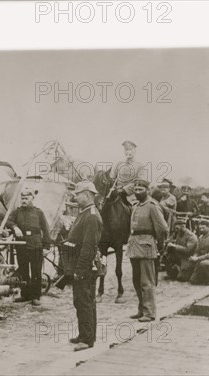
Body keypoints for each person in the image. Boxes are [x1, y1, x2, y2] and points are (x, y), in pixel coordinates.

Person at [63, 181, 102, 352]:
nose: (75, 197)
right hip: (81, 265)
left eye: (78, 194)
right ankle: (86, 334)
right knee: (82, 301)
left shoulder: (91, 216)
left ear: (86, 195)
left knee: (84, 301)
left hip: (85, 267)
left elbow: (89, 246)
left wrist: (79, 269)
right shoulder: (85, 213)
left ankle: (86, 339)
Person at [128, 179, 169, 322]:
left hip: (146, 245)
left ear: (147, 190)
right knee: (136, 280)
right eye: (136, 189)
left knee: (147, 281)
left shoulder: (152, 206)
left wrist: (159, 244)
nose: (137, 192)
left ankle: (150, 312)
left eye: (141, 190)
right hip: (134, 245)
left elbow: (162, 227)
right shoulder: (135, 205)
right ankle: (142, 309)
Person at [7, 187, 51, 306]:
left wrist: (46, 246)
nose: (24, 200)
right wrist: (15, 227)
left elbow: (46, 229)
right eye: (22, 198)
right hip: (21, 246)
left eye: (26, 198)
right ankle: (25, 295)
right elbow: (8, 221)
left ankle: (36, 297)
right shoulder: (17, 212)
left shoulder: (38, 212)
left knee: (36, 272)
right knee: (23, 271)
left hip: (36, 245)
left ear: (32, 198)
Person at [108, 140, 148, 206]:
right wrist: (114, 188)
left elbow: (140, 182)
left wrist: (124, 190)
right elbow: (112, 178)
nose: (128, 152)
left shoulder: (140, 166)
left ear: (135, 151)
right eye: (126, 149)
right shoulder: (118, 164)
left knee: (135, 211)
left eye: (130, 149)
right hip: (116, 195)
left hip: (133, 197)